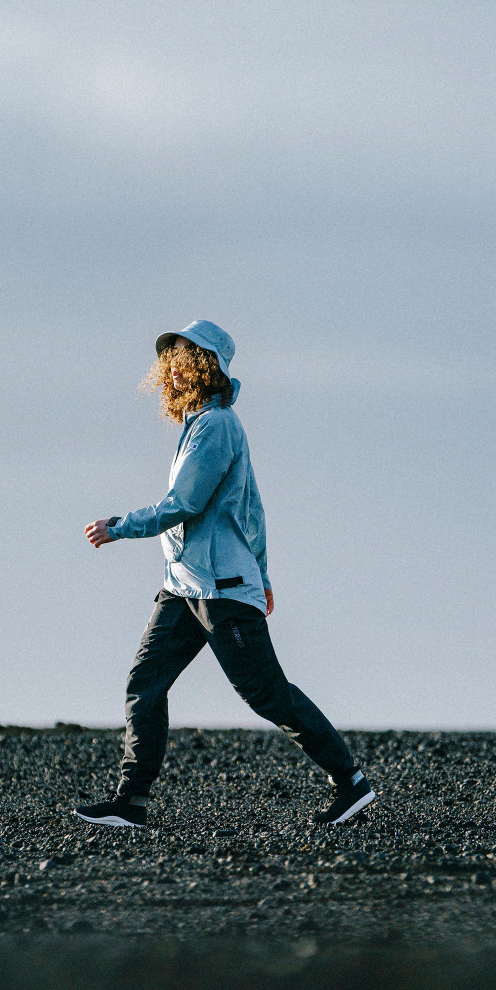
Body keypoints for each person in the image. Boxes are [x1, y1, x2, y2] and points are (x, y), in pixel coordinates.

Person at [75, 320, 376, 829]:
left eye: (178, 360)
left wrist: (119, 526)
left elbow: (185, 503)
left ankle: (350, 784)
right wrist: (265, 574)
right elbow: (252, 512)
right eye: (166, 362)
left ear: (202, 366)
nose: (167, 371)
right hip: (184, 588)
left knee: (266, 693)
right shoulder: (198, 426)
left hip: (222, 590)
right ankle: (132, 802)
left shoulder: (217, 427)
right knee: (144, 681)